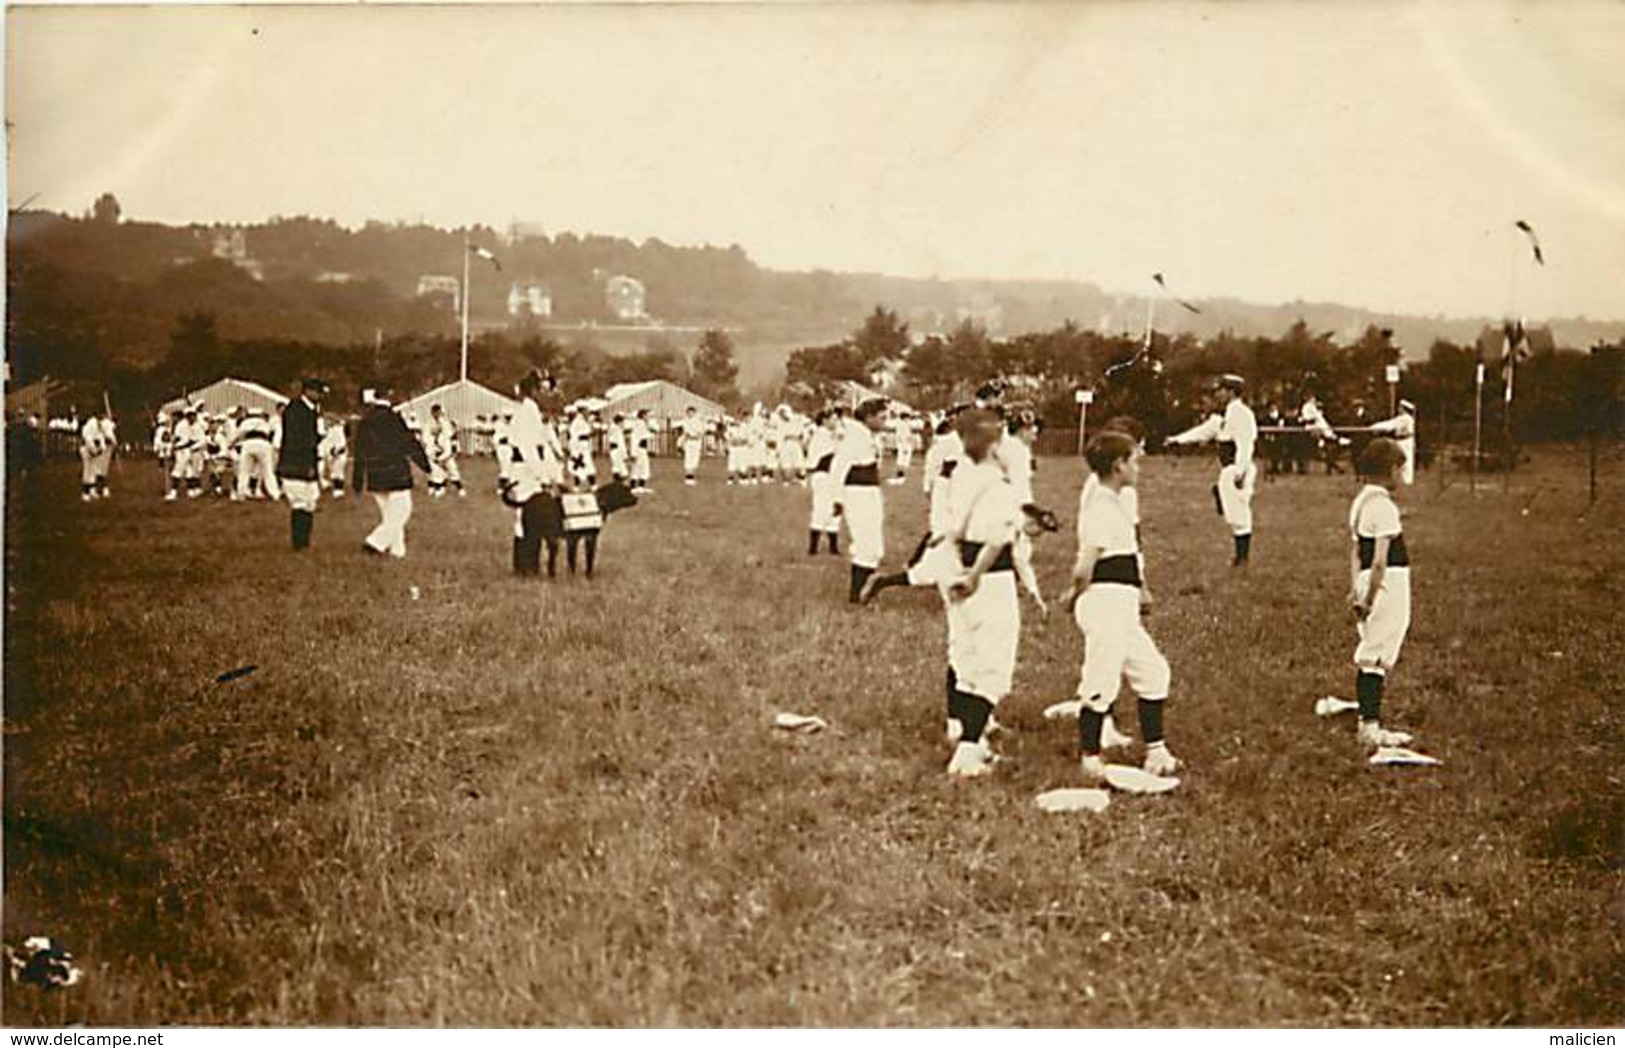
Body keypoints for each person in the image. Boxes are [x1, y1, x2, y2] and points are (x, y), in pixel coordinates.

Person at [1060, 430, 1182, 782]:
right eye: (1134, 461)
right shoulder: (1100, 506)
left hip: (1121, 602)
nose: (1138, 468)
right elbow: (1086, 564)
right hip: (1104, 601)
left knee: (1154, 671)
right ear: (1118, 466)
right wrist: (1073, 592)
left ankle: (1156, 752)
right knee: (1101, 677)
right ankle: (1090, 756)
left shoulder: (1115, 503)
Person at [942, 408, 1026, 778]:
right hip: (988, 576)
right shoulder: (999, 485)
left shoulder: (961, 475)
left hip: (955, 565)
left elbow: (954, 526)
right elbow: (996, 539)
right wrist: (975, 575)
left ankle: (965, 731)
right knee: (993, 663)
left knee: (966, 655)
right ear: (994, 444)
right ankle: (968, 750)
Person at [1346, 438, 1418, 749]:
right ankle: (1369, 726)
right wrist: (1370, 597)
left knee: (1372, 646)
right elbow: (1379, 560)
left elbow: (1354, 552)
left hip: (1367, 580)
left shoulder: (1360, 501)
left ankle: (1368, 718)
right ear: (1390, 470)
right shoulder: (1384, 507)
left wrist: (1356, 589)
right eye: (1401, 470)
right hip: (1387, 583)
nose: (1402, 477)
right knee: (1377, 651)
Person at [1167, 374, 1258, 567]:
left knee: (1239, 512)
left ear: (1231, 392)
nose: (1217, 394)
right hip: (1228, 468)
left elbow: (1245, 444)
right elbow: (1204, 430)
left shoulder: (1242, 414)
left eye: (1221, 390)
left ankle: (1242, 558)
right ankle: (1240, 555)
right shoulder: (1223, 416)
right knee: (1232, 512)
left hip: (1237, 467)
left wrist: (1240, 471)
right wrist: (1177, 439)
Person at [352, 388, 431, 559]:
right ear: (389, 396)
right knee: (402, 510)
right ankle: (375, 542)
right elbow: (409, 443)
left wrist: (358, 478)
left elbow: (359, 450)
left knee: (389, 514)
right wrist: (425, 465)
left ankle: (397, 551)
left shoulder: (366, 420)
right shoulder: (393, 418)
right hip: (396, 471)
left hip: (375, 472)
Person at [508, 369, 568, 576]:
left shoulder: (534, 411)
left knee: (534, 516)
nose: (549, 394)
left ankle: (528, 565)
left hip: (533, 468)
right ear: (533, 390)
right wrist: (541, 475)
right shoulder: (527, 411)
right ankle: (524, 566)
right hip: (526, 470)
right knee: (526, 515)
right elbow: (528, 448)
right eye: (544, 390)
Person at [830, 398, 889, 603]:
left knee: (873, 544)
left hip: (869, 492)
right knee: (866, 542)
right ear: (869, 417)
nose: (885, 422)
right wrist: (837, 498)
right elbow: (839, 468)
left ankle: (865, 591)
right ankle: (857, 594)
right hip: (858, 493)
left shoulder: (867, 436)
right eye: (882, 418)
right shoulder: (855, 438)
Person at [276, 378, 327, 551]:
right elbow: (299, 441)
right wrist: (308, 463)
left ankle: (304, 540)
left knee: (310, 501)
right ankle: (299, 542)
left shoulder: (308, 410)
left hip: (305, 462)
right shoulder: (296, 410)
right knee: (300, 502)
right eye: (319, 393)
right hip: (296, 463)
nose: (320, 396)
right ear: (308, 391)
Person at [805, 410, 841, 554]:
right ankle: (813, 547)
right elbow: (827, 457)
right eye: (833, 419)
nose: (836, 422)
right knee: (822, 508)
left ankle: (833, 547)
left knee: (835, 509)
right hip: (823, 475)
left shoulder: (829, 436)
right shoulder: (821, 435)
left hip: (832, 476)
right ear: (825, 420)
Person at [1369, 399, 1418, 486]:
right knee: (1398, 460)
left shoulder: (1406, 418)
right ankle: (1401, 481)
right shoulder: (1402, 418)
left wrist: (1375, 427)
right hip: (1400, 440)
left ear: (1403, 409)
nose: (1398, 409)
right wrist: (1375, 426)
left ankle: (1407, 482)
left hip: (1406, 441)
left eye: (1400, 407)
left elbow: (1391, 425)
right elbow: (1390, 423)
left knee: (1406, 461)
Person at [234, 407, 279, 501]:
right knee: (268, 471)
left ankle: (241, 493)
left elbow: (238, 435)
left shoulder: (245, 423)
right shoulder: (265, 423)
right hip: (263, 444)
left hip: (248, 444)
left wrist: (231, 444)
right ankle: (275, 493)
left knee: (244, 470)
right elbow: (270, 433)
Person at [424, 404, 465, 498]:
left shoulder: (446, 423)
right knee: (435, 471)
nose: (436, 414)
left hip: (445, 449)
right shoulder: (428, 424)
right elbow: (425, 438)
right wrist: (433, 445)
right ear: (432, 412)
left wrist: (443, 445)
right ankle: (439, 488)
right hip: (433, 450)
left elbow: (449, 435)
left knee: (452, 469)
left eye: (438, 412)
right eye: (434, 412)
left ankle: (460, 488)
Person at [169, 406, 205, 500]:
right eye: (189, 415)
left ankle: (191, 490)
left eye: (193, 415)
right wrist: (174, 447)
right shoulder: (181, 425)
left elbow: (201, 440)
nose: (191, 417)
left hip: (193, 451)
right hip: (182, 451)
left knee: (191, 472)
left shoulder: (198, 426)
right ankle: (173, 492)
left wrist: (193, 446)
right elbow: (178, 438)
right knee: (178, 471)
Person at [78, 411, 112, 501]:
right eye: (101, 415)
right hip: (86, 449)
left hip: (93, 450)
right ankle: (85, 493)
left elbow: (100, 438)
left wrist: (102, 448)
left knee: (93, 471)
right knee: (87, 471)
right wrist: (95, 450)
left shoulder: (99, 424)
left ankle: (91, 490)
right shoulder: (91, 424)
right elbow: (88, 439)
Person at [319, 416, 350, 496]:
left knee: (337, 472)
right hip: (329, 455)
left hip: (339, 455)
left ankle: (338, 490)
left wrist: (335, 452)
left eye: (329, 420)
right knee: (323, 470)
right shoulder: (326, 431)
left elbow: (341, 444)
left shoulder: (338, 430)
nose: (327, 422)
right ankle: (325, 484)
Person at [678, 406, 706, 485]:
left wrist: (697, 436)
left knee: (695, 460)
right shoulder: (685, 422)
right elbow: (686, 433)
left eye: (692, 412)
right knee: (688, 459)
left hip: (696, 443)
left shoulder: (699, 422)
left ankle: (691, 476)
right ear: (687, 413)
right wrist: (682, 443)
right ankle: (688, 478)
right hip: (689, 442)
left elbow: (701, 432)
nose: (690, 414)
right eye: (689, 412)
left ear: (694, 413)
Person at [628, 410, 653, 493]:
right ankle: (634, 487)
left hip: (641, 449)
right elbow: (636, 438)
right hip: (639, 449)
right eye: (647, 415)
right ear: (643, 415)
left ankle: (639, 487)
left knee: (641, 467)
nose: (648, 417)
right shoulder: (640, 424)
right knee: (638, 467)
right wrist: (633, 452)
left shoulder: (642, 424)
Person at [606, 413, 629, 485]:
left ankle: (617, 482)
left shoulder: (612, 428)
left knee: (616, 466)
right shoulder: (617, 430)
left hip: (613, 450)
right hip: (618, 450)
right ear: (619, 421)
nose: (623, 423)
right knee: (622, 469)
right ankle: (621, 484)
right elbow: (621, 442)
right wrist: (625, 455)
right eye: (622, 421)